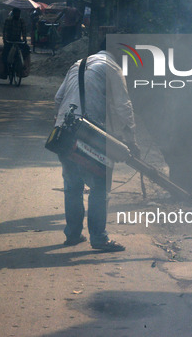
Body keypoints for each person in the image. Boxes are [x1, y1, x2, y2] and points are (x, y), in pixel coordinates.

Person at [54, 41, 139, 252]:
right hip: (89, 133)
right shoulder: (112, 67)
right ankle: (99, 238)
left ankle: (73, 235)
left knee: (72, 185)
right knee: (100, 185)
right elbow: (123, 106)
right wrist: (131, 140)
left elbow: (58, 98)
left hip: (64, 130)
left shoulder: (78, 64)